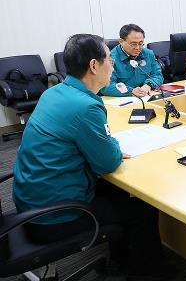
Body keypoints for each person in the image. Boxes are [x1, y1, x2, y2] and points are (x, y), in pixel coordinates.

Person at [12, 34, 170, 280]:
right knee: (142, 210)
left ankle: (121, 260)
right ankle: (148, 274)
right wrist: (112, 148)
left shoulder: (54, 92)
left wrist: (107, 145)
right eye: (109, 59)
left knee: (117, 191)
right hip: (54, 215)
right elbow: (107, 162)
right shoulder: (86, 106)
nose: (113, 65)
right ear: (94, 66)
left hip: (30, 199)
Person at [101, 24, 163, 97]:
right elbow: (106, 86)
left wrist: (148, 85)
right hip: (123, 100)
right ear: (121, 41)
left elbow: (158, 75)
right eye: (133, 44)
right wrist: (131, 91)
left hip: (146, 96)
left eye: (141, 43)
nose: (138, 48)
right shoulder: (110, 59)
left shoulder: (148, 54)